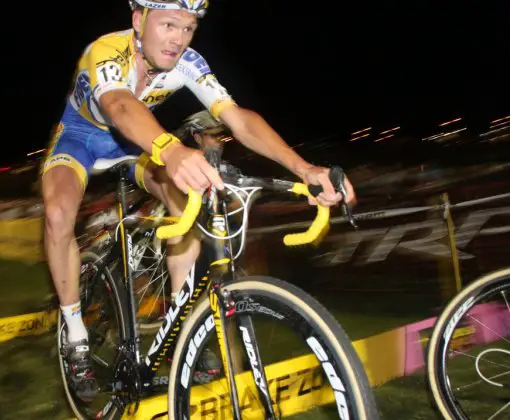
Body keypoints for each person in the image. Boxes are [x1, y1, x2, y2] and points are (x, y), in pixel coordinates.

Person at [41, 0, 356, 401]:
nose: (178, 39)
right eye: (169, 25)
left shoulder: (189, 62)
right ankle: (75, 332)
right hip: (81, 139)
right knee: (57, 212)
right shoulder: (105, 51)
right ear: (139, 21)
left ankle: (182, 326)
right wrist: (171, 150)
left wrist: (304, 168)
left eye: (188, 28)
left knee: (182, 197)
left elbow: (237, 118)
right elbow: (119, 105)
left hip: (135, 144)